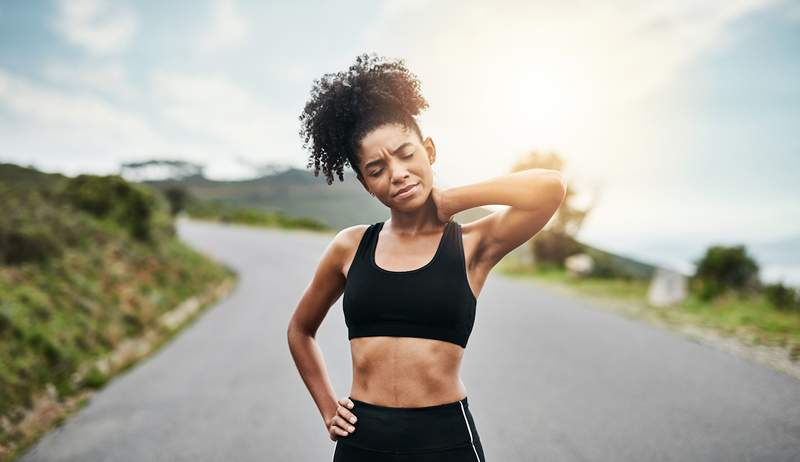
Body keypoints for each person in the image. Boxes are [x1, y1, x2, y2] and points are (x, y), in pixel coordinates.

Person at [288, 52, 566, 461]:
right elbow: (300, 330)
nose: (397, 172)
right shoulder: (351, 247)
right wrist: (329, 407)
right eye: (377, 168)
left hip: (444, 440)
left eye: (406, 154)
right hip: (362, 441)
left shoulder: (473, 245)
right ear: (367, 185)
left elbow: (550, 187)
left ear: (429, 151)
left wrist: (452, 199)